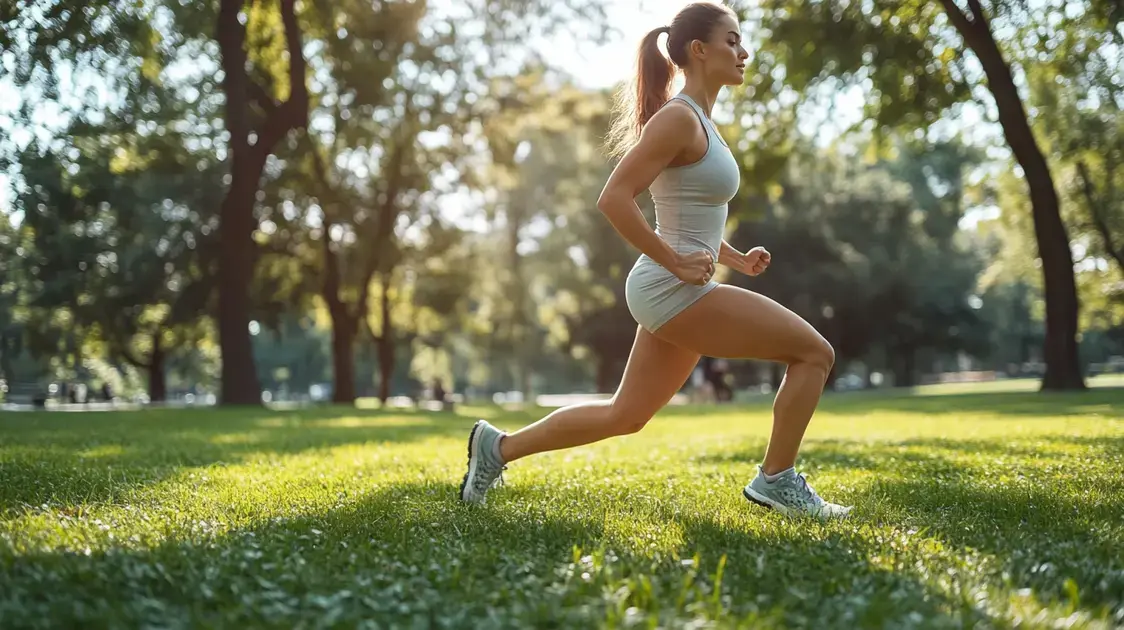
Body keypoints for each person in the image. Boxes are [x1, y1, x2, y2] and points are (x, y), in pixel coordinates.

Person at [459, 1, 851, 519]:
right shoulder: (678, 120)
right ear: (699, 50)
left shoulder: (701, 122)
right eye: (732, 40)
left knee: (627, 414)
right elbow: (614, 198)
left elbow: (688, 218)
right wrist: (675, 262)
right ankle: (776, 480)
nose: (744, 52)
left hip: (674, 286)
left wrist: (734, 256)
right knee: (814, 354)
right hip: (670, 287)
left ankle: (497, 449)